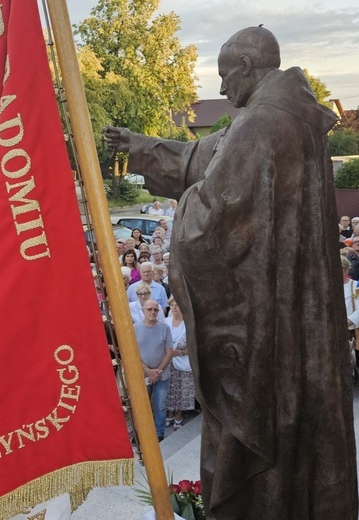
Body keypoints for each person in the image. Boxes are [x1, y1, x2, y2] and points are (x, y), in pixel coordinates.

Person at [104, 26, 357, 518]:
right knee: (298, 426)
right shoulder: (291, 117)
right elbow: (208, 155)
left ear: (245, 68)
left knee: (262, 425)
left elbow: (214, 214)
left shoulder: (262, 123)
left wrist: (185, 216)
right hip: (295, 311)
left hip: (269, 324)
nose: (221, 90)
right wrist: (142, 145)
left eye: (224, 77)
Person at [134, 299, 173, 441]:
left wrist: (158, 371)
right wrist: (148, 371)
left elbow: (169, 351)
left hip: (161, 375)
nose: (152, 312)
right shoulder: (134, 328)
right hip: (142, 375)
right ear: (143, 311)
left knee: (160, 406)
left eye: (155, 310)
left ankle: (159, 433)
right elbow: (132, 352)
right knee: (141, 406)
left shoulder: (165, 328)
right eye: (149, 309)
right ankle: (140, 434)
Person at [165, 297, 193, 431]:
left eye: (177, 304)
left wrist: (179, 353)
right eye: (172, 304)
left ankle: (179, 413)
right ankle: (170, 412)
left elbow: (193, 347)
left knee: (183, 389)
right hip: (168, 362)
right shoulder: (166, 322)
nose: (174, 307)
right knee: (170, 388)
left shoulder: (188, 324)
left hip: (183, 361)